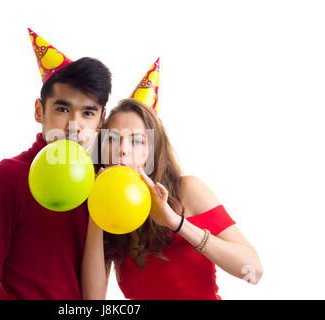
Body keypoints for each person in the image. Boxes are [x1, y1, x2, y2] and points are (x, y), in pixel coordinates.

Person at [81, 61, 263, 300]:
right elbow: (92, 302)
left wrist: (175, 222)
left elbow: (253, 271)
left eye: (136, 141)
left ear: (153, 150)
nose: (122, 150)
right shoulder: (103, 210)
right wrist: (97, 212)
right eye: (113, 139)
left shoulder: (187, 190)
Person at [0, 28, 112, 299]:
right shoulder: (6, 179)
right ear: (39, 111)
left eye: (88, 113)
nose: (74, 126)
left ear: (101, 121)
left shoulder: (103, 185)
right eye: (62, 109)